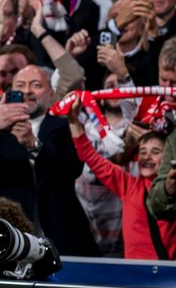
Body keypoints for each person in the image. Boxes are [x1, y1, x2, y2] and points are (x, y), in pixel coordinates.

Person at [0, 65, 100, 256]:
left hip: (62, 232)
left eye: (36, 85)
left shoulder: (64, 126)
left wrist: (33, 143)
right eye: (20, 85)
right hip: (13, 231)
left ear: (51, 94)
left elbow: (73, 167)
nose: (27, 91)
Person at [67, 97, 176, 259]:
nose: (146, 157)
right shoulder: (128, 186)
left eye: (155, 152)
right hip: (134, 277)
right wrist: (73, 121)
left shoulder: (172, 191)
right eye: (143, 151)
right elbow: (90, 156)